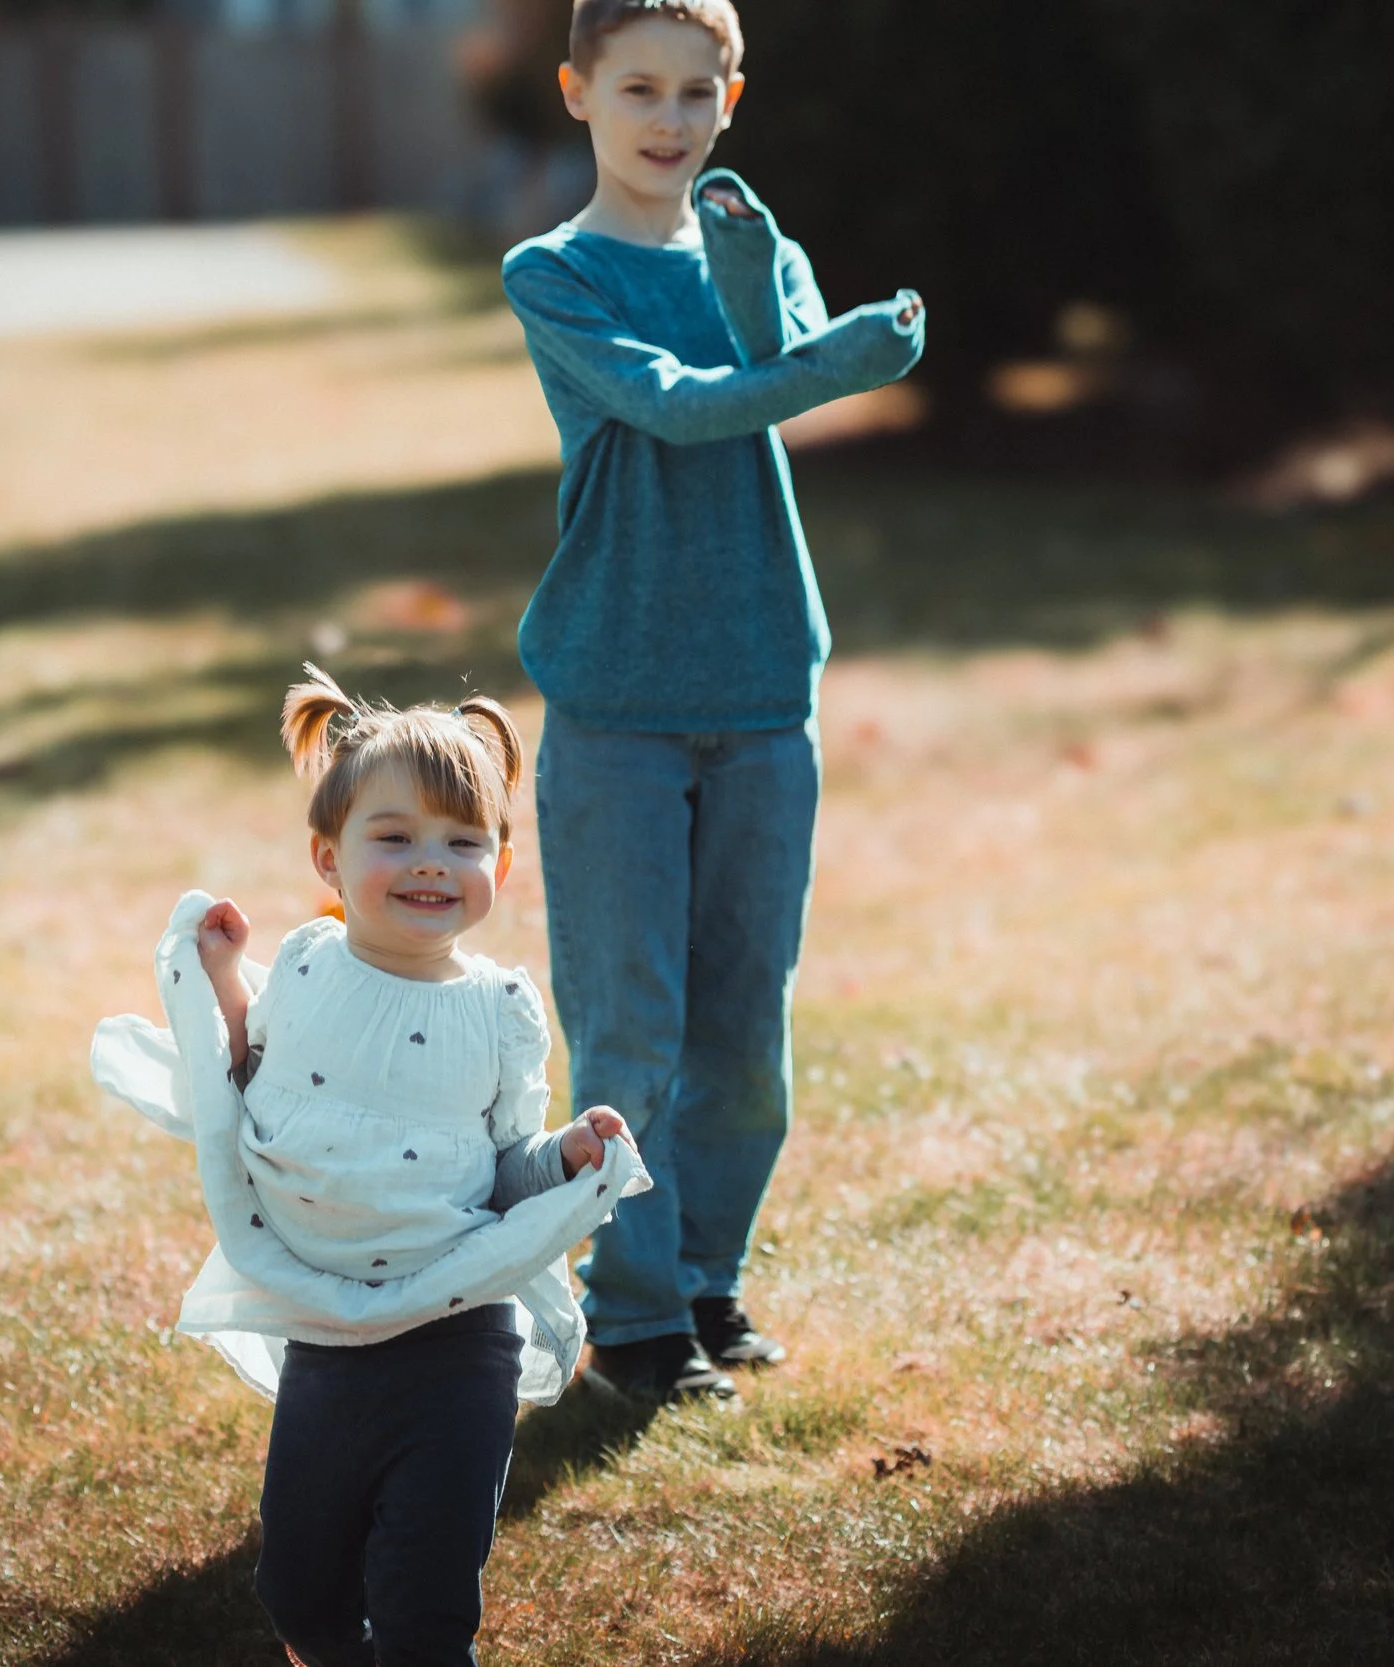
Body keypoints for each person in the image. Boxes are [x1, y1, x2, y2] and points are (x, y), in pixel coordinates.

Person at [500, 0, 926, 1403]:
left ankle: (704, 1279)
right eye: (637, 90)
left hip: (759, 692)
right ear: (577, 94)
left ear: (732, 99)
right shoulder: (554, 272)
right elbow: (685, 403)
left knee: (745, 1031)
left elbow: (764, 364)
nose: (667, 122)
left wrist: (778, 304)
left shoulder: (761, 244)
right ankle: (630, 1320)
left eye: (696, 92)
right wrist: (845, 357)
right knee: (631, 1027)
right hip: (617, 695)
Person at [88, 665, 650, 1667]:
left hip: (454, 1329)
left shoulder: (499, 1010)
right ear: (328, 856)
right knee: (299, 1588)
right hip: (324, 1324)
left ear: (502, 865)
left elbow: (498, 1171)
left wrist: (563, 1154)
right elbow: (250, 1080)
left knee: (423, 1600)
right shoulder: (308, 963)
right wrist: (221, 978)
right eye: (394, 837)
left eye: (462, 840)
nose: (431, 862)